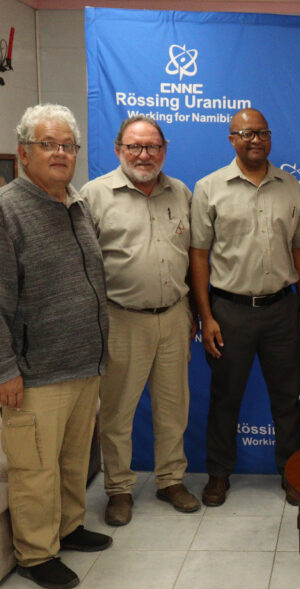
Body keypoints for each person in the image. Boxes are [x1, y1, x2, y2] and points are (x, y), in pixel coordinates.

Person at [0, 103, 111, 589]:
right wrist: (1, 368)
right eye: (48, 144)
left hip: (83, 365)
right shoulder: (1, 212)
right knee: (35, 469)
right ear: (23, 152)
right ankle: (36, 553)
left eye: (68, 145)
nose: (60, 153)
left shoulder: (76, 204)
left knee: (72, 461)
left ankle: (68, 528)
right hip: (34, 374)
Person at [189, 108, 300, 507]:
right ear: (232, 139)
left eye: (262, 132)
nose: (255, 139)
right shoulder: (209, 187)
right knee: (225, 398)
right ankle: (218, 474)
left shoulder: (289, 186)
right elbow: (198, 255)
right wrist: (205, 316)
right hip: (229, 311)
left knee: (287, 399)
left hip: (281, 310)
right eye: (246, 133)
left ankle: (291, 473)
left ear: (270, 137)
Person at [80, 114, 199, 526]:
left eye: (152, 147)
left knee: (173, 408)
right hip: (121, 319)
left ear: (164, 150)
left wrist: (193, 312)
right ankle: (119, 489)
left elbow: (191, 257)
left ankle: (170, 480)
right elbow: (82, 265)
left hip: (174, 316)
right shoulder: (94, 195)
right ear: (118, 150)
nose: (144, 155)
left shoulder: (180, 192)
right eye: (134, 147)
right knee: (117, 413)